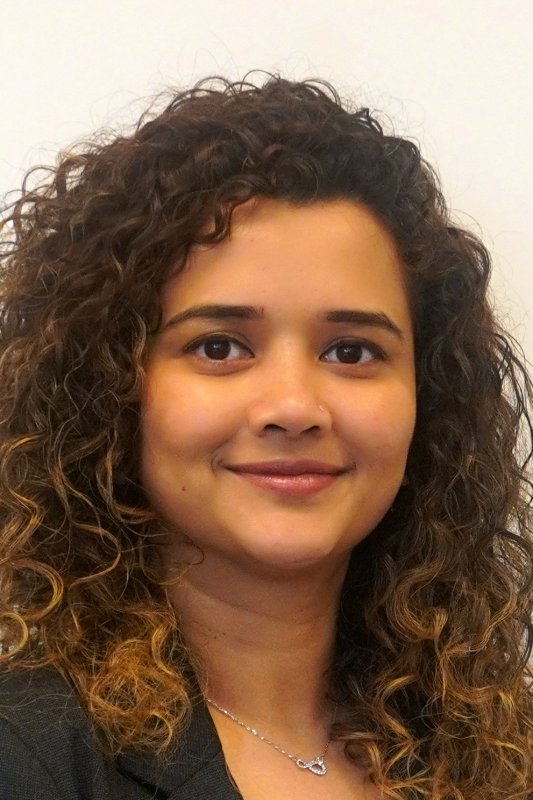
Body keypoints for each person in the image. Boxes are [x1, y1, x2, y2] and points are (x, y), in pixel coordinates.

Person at [0, 74, 531, 800]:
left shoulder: (497, 749)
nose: (293, 407)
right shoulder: (26, 755)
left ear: (427, 400)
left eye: (351, 351)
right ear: (108, 386)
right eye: (219, 346)